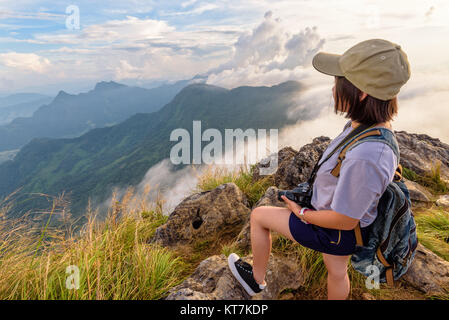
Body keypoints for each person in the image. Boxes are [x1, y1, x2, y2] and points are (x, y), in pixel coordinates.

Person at [227, 39, 411, 300]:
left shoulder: (367, 155)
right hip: (343, 231)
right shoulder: (368, 127)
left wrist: (301, 212)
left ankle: (255, 281)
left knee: (259, 216)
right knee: (336, 270)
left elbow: (345, 220)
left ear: (361, 93)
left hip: (332, 231)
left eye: (339, 82)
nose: (334, 89)